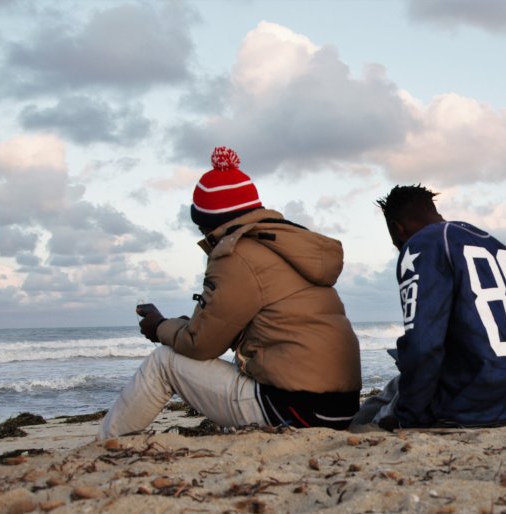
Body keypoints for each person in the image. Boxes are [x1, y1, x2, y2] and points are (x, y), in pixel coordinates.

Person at [98, 147, 361, 439]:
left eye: (200, 226)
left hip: (294, 410)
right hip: (340, 407)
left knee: (163, 361)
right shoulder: (284, 245)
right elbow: (223, 327)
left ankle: (106, 442)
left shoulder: (237, 254)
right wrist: (177, 325)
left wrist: (159, 326)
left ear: (212, 222)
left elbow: (201, 344)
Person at [353, 184, 506, 430]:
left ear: (398, 228)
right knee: (392, 390)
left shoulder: (422, 245)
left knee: (377, 413)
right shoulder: (504, 252)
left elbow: (423, 347)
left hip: (471, 410)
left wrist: (409, 418)